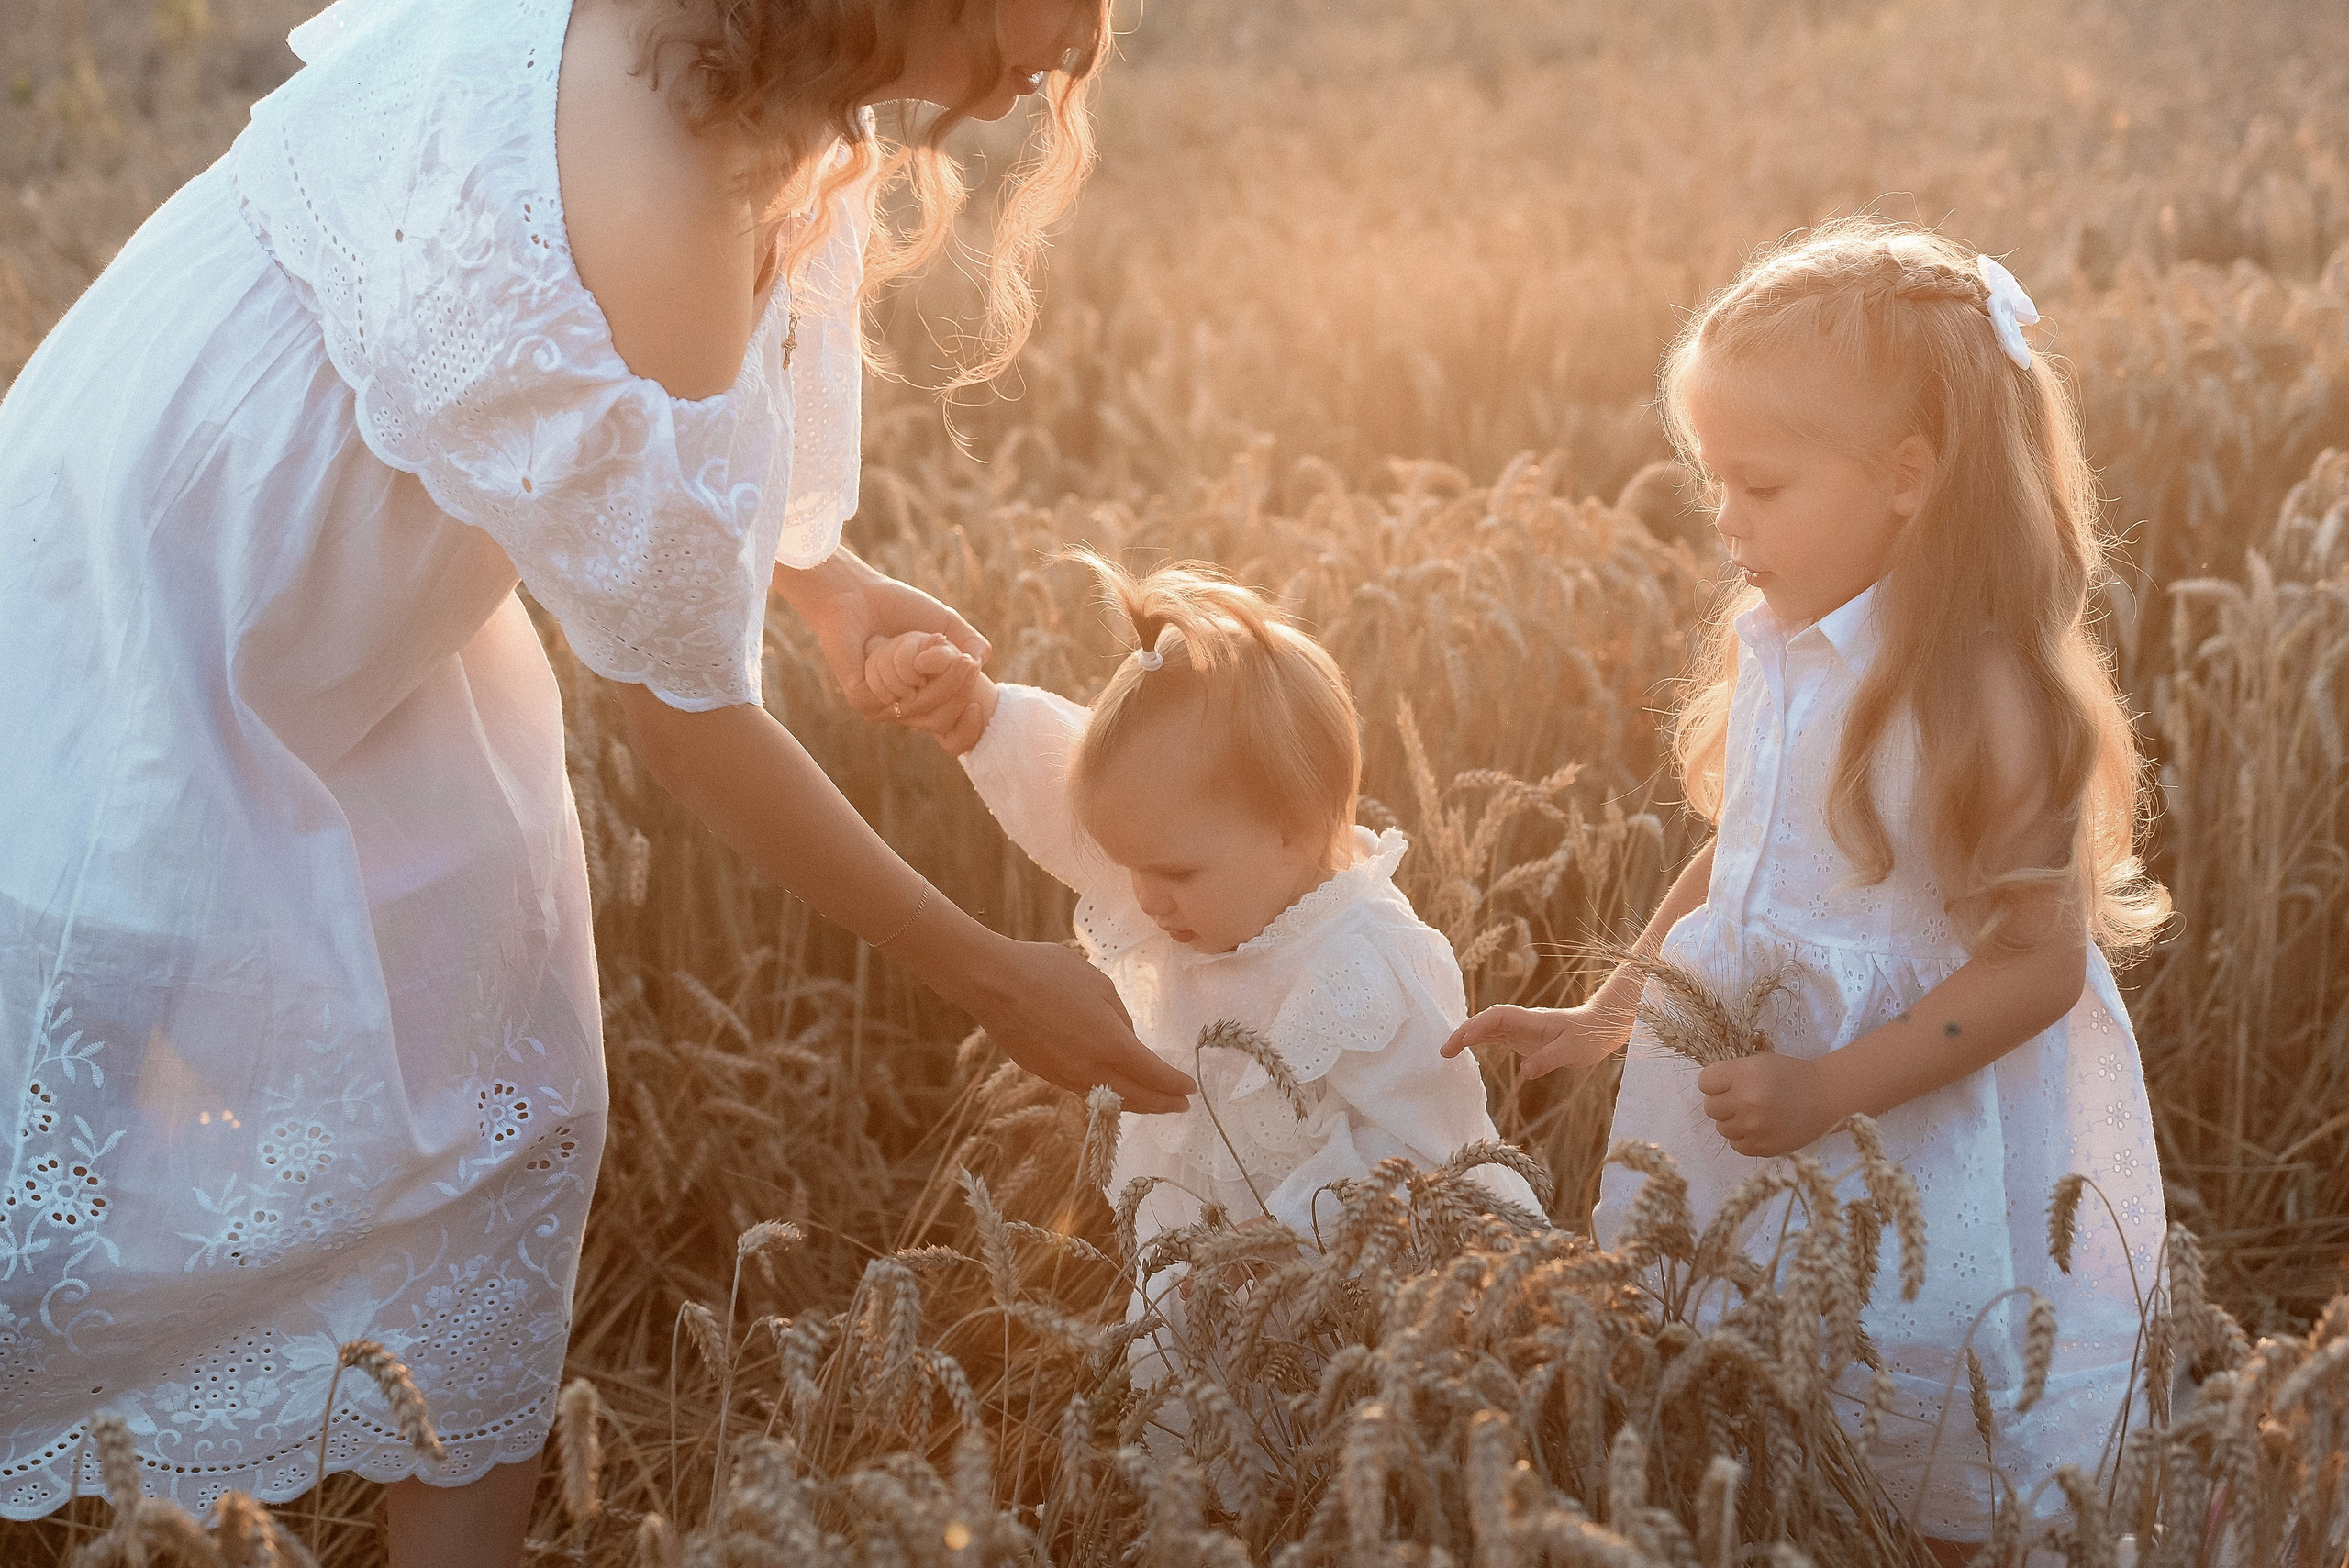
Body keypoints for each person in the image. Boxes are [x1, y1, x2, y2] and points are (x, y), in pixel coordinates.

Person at [0, 0, 1191, 1561]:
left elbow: (574, 423)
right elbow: (683, 725)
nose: (1082, 42)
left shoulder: (736, 74)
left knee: (510, 1133)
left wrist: (823, 582)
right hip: (147, 619)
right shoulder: (662, 176)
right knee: (49, 1202)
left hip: (350, 620)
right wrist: (991, 976)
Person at [1442, 220, 2170, 1556]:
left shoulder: (1984, 699)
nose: (1727, 520)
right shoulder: (1782, 644)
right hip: (1748, 1108)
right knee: (1738, 1386)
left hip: (1908, 1131)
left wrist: (1834, 1086)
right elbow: (1744, 860)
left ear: (1908, 476)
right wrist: (1606, 1017)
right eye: (1713, 481)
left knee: (1911, 1427)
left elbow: (2036, 967)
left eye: (1761, 485)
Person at [869, 553, 1545, 1254]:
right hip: (1209, 1288)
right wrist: (976, 715)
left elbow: (1426, 1155)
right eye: (1131, 866)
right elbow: (1067, 792)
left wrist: (1278, 1238)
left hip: (1355, 1297)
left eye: (1173, 872)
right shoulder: (1191, 886)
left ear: (1296, 827)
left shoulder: (1364, 969)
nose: (1143, 897)